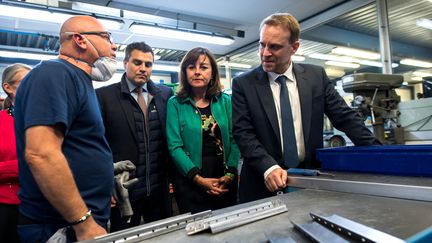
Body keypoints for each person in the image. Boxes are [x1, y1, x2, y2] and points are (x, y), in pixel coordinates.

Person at [231, 13, 381, 203]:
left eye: (274, 46)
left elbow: (345, 118)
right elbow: (243, 133)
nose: (265, 53)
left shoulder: (316, 77)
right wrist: (268, 167)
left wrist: (379, 155)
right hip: (261, 185)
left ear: (294, 47)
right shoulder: (244, 84)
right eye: (262, 44)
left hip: (308, 181)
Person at [13, 15, 117, 242]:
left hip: (79, 220)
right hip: (58, 226)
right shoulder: (55, 73)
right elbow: (41, 154)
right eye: (107, 37)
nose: (114, 45)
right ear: (80, 40)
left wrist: (105, 177)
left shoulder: (80, 81)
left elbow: (78, 145)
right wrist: (84, 223)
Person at [96, 42, 173, 231]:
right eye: (137, 62)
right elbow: (98, 146)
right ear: (125, 63)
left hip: (158, 190)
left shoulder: (165, 95)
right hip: (123, 192)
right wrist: (105, 185)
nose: (143, 69)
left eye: (148, 64)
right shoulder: (104, 97)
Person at [166, 47, 241, 214]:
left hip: (224, 180)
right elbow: (174, 146)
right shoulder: (175, 103)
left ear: (213, 72)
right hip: (190, 182)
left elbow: (235, 139)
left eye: (204, 67)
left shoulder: (225, 101)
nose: (197, 72)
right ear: (185, 72)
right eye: (191, 67)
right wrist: (198, 179)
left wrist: (229, 174)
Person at [0, 63, 31, 243]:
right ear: (8, 88)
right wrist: (24, 166)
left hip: (40, 204)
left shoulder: (45, 120)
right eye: (25, 83)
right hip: (6, 207)